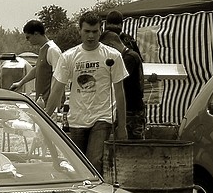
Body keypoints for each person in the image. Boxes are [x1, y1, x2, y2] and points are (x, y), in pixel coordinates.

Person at [45, 11, 128, 174]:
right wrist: (46, 117)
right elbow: (57, 89)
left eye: (95, 31)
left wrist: (122, 126)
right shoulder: (69, 56)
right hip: (77, 117)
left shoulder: (112, 56)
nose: (91, 36)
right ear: (80, 31)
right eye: (87, 31)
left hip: (102, 117)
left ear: (100, 31)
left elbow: (119, 92)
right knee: (77, 163)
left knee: (93, 160)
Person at [100, 29, 146, 140]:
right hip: (130, 109)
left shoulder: (129, 58)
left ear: (111, 45)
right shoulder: (130, 56)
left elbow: (117, 81)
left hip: (132, 111)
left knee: (131, 145)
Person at [10, 19, 64, 108]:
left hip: (50, 104)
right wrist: (20, 83)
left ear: (36, 34)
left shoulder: (52, 50)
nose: (28, 40)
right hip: (42, 102)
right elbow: (37, 69)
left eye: (28, 37)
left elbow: (59, 77)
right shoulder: (43, 49)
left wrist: (56, 104)